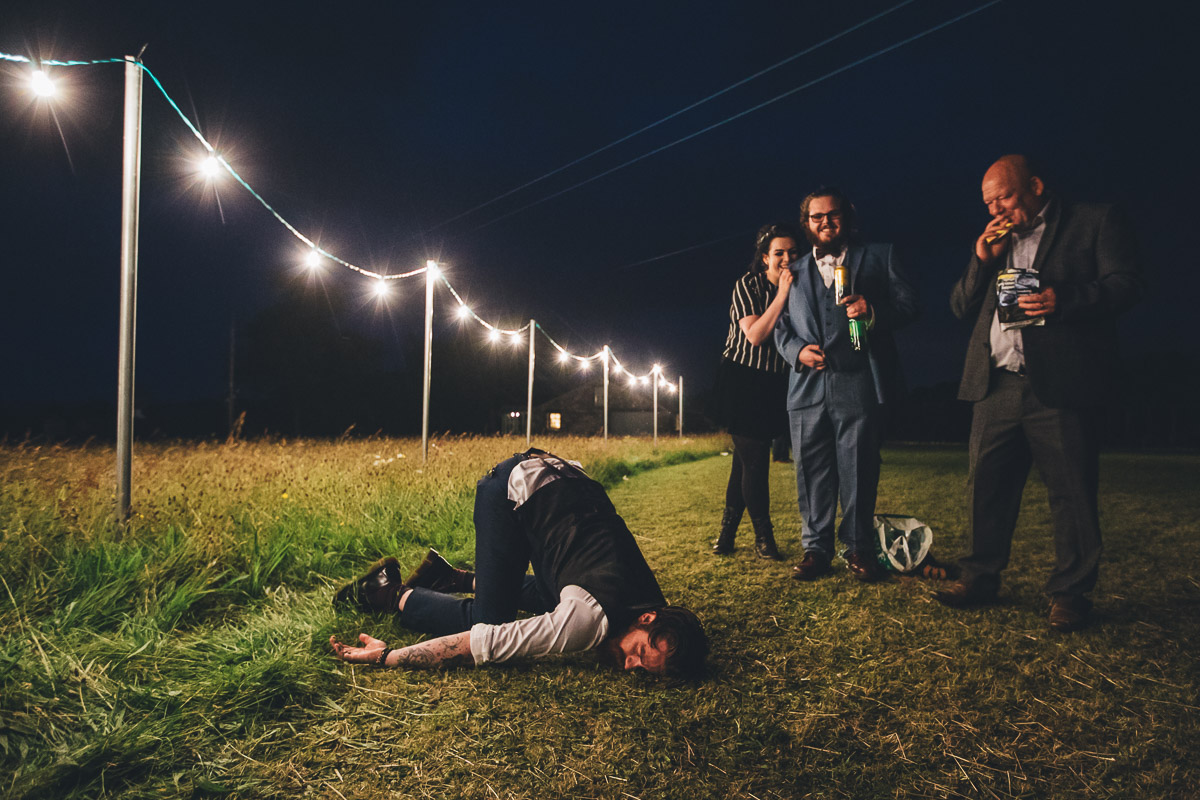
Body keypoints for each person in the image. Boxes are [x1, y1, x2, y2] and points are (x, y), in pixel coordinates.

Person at [935, 155, 1144, 632]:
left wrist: (1063, 300)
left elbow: (1127, 285)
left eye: (1004, 197)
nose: (997, 210)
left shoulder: (1094, 220)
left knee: (1071, 492)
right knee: (984, 487)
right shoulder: (994, 240)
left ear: (1035, 185)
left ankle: (1070, 594)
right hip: (997, 384)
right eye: (989, 203)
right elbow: (960, 304)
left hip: (1061, 384)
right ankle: (978, 577)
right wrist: (981, 260)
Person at [331, 448, 709, 676]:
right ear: (647, 620)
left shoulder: (651, 600)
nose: (630, 665)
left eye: (644, 670)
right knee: (489, 617)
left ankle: (452, 577)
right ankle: (389, 592)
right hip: (512, 489)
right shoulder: (587, 620)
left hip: (565, 481)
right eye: (640, 652)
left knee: (554, 598)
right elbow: (487, 642)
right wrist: (387, 657)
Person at [774, 187, 919, 582]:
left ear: (847, 217)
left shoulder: (879, 255)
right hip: (806, 388)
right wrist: (796, 351)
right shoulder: (794, 271)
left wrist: (872, 311)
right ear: (807, 224)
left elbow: (909, 307)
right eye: (816, 217)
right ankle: (815, 550)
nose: (825, 222)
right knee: (811, 471)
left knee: (859, 468)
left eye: (832, 215)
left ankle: (858, 548)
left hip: (859, 381)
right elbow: (780, 328)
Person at [710, 223, 798, 559]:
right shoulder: (748, 285)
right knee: (756, 461)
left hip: (773, 383)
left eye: (792, 252)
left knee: (744, 463)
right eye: (779, 253)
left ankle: (727, 536)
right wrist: (783, 295)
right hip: (742, 379)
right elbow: (756, 335)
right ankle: (765, 539)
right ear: (765, 258)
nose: (786, 259)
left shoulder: (799, 287)